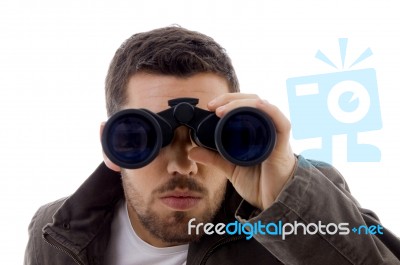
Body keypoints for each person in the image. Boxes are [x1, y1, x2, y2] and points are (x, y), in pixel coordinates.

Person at [24, 26, 400, 265]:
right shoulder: (54, 232)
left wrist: (289, 202)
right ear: (113, 145)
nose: (184, 165)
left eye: (209, 135)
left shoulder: (296, 206)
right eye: (147, 137)